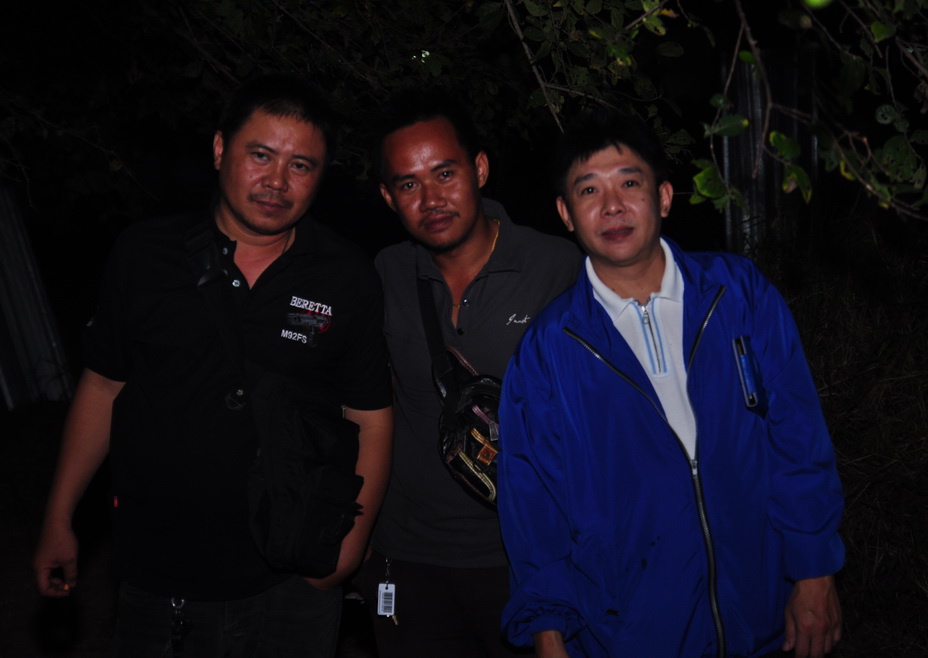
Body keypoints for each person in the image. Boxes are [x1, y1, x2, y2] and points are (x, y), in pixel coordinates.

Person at [32, 74, 393, 657]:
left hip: (290, 574)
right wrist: (59, 515)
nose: (277, 181)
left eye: (301, 165)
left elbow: (370, 416)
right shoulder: (144, 255)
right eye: (261, 155)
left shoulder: (345, 275)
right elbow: (102, 386)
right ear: (221, 149)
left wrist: (344, 552)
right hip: (159, 573)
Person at [497, 111, 845, 658]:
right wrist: (548, 632)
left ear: (662, 197)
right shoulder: (548, 351)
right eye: (589, 190)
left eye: (629, 183)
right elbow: (532, 503)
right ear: (566, 213)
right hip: (628, 633)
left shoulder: (739, 295)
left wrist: (814, 570)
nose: (612, 206)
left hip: (765, 613)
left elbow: (799, 439)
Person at [364, 93, 583, 657]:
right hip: (407, 558)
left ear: (479, 169)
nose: (431, 199)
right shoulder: (384, 274)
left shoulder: (557, 268)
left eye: (445, 173)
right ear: (388, 197)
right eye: (408, 184)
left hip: (524, 559)